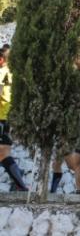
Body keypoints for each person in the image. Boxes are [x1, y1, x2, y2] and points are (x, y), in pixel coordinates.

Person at [0, 49, 28, 191]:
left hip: (1, 117)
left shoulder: (2, 73)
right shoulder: (14, 73)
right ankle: (20, 182)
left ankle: (21, 185)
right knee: (4, 153)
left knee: (3, 153)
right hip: (8, 118)